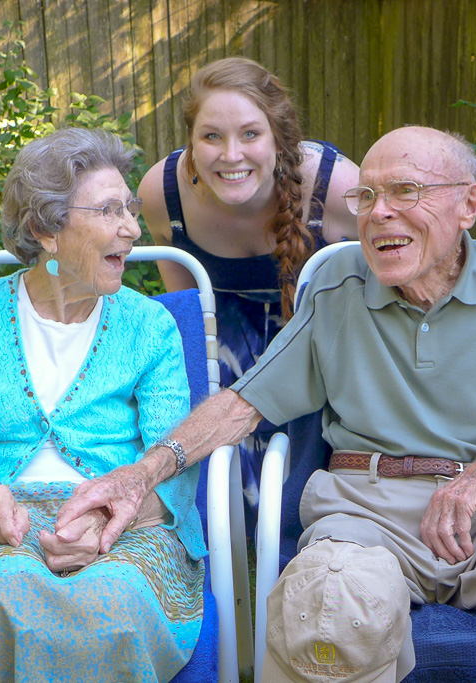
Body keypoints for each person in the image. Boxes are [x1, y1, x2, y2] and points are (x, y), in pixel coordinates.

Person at [65, 125, 476, 683]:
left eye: (406, 191)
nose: (380, 213)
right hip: (368, 519)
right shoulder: (339, 288)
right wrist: (141, 474)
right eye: (367, 197)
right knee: (328, 603)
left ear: (468, 204)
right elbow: (242, 405)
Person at [0, 127, 206, 683]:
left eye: (130, 208)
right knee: (7, 592)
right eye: (110, 210)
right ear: (45, 230)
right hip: (2, 530)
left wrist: (115, 518)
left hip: (125, 525)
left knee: (113, 601)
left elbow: (174, 463)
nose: (133, 229)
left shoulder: (150, 325)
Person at [138, 57, 359, 524]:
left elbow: (377, 299)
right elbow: (188, 323)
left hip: (318, 334)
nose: (231, 154)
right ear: (191, 142)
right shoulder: (163, 193)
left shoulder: (335, 187)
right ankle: (208, 519)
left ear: (279, 138)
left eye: (250, 134)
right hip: (228, 338)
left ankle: (304, 510)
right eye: (212, 136)